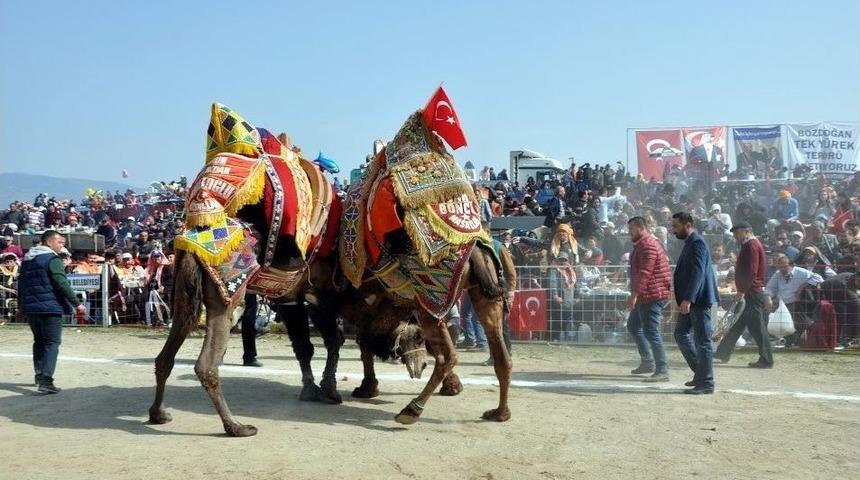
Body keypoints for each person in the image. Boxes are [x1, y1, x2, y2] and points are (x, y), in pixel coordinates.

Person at [18, 230, 86, 394]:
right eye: (60, 242)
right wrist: (77, 303)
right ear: (49, 242)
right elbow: (61, 282)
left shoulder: (27, 260)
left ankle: (39, 375)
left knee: (39, 342)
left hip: (32, 308)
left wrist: (22, 306)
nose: (62, 245)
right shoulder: (52, 259)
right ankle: (46, 381)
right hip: (50, 307)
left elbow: (21, 285)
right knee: (51, 343)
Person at [671, 212, 718, 394]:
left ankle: (706, 382)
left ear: (687, 225)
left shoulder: (697, 243)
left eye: (676, 226)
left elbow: (698, 273)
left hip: (697, 300)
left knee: (702, 342)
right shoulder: (690, 243)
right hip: (689, 300)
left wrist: (688, 299)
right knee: (680, 334)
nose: (673, 230)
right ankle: (700, 373)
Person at [714, 223, 773, 368]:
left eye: (737, 233)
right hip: (750, 290)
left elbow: (752, 271)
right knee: (737, 323)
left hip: (751, 292)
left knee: (757, 328)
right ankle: (723, 352)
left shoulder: (751, 245)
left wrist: (742, 290)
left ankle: (766, 359)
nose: (735, 236)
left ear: (746, 232)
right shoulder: (750, 244)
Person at [625, 217, 672, 381]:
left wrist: (634, 295)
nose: (628, 231)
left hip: (651, 294)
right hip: (647, 293)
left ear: (640, 228)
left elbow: (645, 272)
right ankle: (648, 362)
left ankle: (662, 369)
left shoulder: (648, 245)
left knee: (651, 331)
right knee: (633, 326)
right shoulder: (644, 244)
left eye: (631, 228)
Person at [765, 254, 824, 347]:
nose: (782, 269)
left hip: (797, 303)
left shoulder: (800, 272)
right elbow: (770, 288)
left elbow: (818, 278)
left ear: (791, 265)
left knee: (799, 321)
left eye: (785, 266)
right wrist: (768, 297)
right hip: (782, 304)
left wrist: (803, 286)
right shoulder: (778, 274)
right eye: (780, 267)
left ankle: (811, 336)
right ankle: (789, 340)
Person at [239, 293, 262, 366]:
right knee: (226, 323)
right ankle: (218, 355)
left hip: (250, 292)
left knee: (249, 323)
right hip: (233, 288)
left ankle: (250, 357)